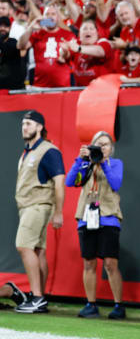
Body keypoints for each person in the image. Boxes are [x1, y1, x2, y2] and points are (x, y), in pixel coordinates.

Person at [64, 131, 125, 319]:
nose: (102, 147)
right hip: (86, 217)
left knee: (110, 263)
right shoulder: (86, 164)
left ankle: (118, 305)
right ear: (92, 147)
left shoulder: (115, 164)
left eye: (106, 144)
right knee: (89, 262)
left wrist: (103, 164)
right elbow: (69, 182)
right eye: (98, 144)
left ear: (111, 149)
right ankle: (91, 304)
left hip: (108, 217)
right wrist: (80, 160)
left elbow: (116, 183)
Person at [15, 110, 65, 314]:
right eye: (23, 124)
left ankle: (36, 297)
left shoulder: (49, 150)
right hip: (28, 207)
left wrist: (59, 212)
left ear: (39, 127)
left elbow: (60, 182)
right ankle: (40, 297)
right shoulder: (28, 151)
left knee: (23, 246)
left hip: (38, 205)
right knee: (38, 250)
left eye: (29, 123)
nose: (24, 127)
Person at [16, 6, 76, 87]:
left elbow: (73, 56)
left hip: (62, 86)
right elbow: (20, 46)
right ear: (43, 18)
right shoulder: (37, 34)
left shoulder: (68, 35)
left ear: (58, 17)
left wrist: (65, 53)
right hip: (40, 86)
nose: (50, 16)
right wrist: (30, 28)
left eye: (53, 14)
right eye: (47, 14)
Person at [0, 15, 24, 89]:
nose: (2, 28)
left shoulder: (13, 42)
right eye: (0, 26)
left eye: (6, 26)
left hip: (13, 88)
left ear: (10, 28)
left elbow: (7, 50)